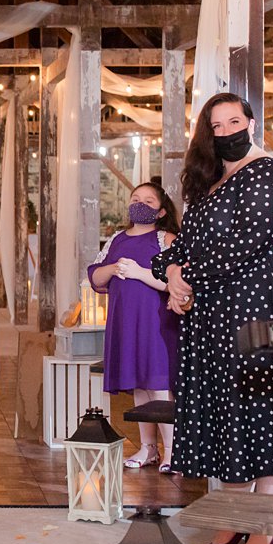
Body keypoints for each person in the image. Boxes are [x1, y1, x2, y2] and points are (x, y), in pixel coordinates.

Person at [152, 93, 273, 544]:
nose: (227, 130)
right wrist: (174, 275)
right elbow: (179, 245)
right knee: (226, 414)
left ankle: (267, 527)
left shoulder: (270, 172)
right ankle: (233, 518)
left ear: (252, 123)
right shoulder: (210, 181)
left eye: (235, 120)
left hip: (262, 312)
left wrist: (186, 277)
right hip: (212, 314)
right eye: (217, 125)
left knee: (264, 412)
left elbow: (245, 244)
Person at [87, 179, 181, 471]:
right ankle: (147, 448)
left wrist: (140, 273)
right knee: (139, 385)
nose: (140, 204)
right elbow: (95, 278)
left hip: (156, 322)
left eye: (149, 201)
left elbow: (174, 283)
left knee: (159, 383)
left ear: (162, 211)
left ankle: (172, 451)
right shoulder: (117, 239)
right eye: (135, 198)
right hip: (125, 322)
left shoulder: (165, 239)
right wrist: (113, 268)